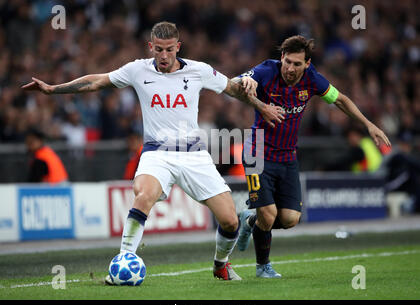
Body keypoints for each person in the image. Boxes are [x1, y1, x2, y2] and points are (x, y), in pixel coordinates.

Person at [22, 21, 284, 282]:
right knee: (143, 195)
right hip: (156, 153)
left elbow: (233, 89)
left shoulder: (199, 71)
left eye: (169, 49)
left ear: (178, 47)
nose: (164, 56)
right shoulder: (138, 69)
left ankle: (220, 265)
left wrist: (262, 106)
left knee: (230, 221)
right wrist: (53, 89)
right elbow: (97, 82)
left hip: (193, 155)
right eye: (158, 49)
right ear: (151, 47)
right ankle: (123, 260)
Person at [233, 35, 391, 278]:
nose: (290, 68)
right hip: (257, 153)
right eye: (287, 62)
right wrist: (255, 97)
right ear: (281, 58)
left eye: (297, 64)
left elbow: (341, 100)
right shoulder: (266, 70)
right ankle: (263, 266)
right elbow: (234, 84)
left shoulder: (313, 80)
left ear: (307, 63)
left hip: (287, 157)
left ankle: (249, 220)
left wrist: (369, 125)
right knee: (269, 213)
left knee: (290, 219)